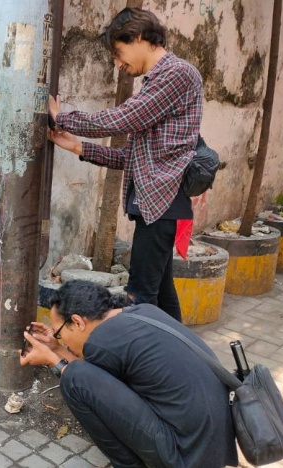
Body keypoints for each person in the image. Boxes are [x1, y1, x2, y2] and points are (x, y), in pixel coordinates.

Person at [47, 7, 204, 322]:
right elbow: (128, 158)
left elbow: (125, 118)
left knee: (140, 296)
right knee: (160, 288)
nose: (118, 64)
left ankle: (138, 363)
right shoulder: (157, 82)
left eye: (118, 53)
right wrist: (77, 146)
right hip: (157, 203)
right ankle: (182, 349)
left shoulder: (177, 74)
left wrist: (63, 118)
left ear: (140, 37)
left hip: (163, 201)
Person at [20, 280, 237, 468]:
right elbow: (101, 383)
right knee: (78, 374)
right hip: (213, 446)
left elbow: (84, 380)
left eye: (60, 333)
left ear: (77, 322)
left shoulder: (101, 342)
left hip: (185, 454)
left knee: (73, 380)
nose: (63, 340)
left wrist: (53, 360)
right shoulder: (142, 312)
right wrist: (57, 349)